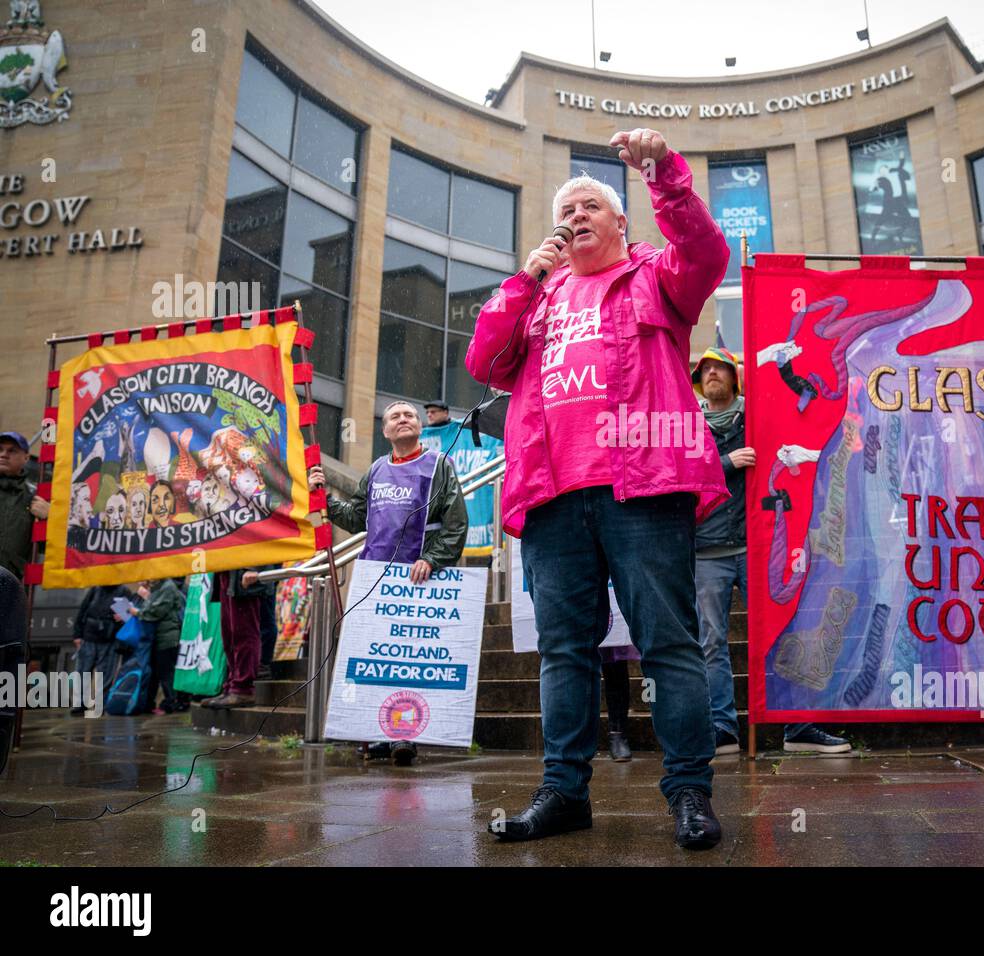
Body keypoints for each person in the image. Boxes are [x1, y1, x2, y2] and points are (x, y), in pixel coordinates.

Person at [466, 127, 730, 850]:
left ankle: (689, 793)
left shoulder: (655, 275)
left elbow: (708, 253)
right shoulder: (539, 298)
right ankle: (564, 791)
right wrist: (523, 281)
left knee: (668, 643)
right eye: (566, 210)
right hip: (552, 493)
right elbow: (485, 361)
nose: (575, 216)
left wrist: (664, 173)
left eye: (588, 206)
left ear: (619, 221)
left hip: (642, 484)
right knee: (563, 651)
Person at [691, 349, 852, 756]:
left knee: (781, 630)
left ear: (734, 376)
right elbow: (680, 474)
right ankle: (723, 729)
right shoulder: (689, 425)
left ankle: (795, 724)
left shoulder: (757, 417)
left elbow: (798, 415)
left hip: (757, 547)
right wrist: (727, 462)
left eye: (719, 368)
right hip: (707, 549)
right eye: (705, 369)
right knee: (711, 641)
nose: (712, 373)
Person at [308, 399, 468, 765]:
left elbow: (456, 524)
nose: (402, 420)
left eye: (409, 415)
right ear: (385, 430)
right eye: (394, 416)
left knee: (408, 659)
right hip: (374, 578)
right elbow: (358, 518)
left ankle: (405, 735)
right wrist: (326, 498)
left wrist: (432, 558)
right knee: (377, 659)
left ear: (419, 426)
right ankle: (380, 732)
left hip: (417, 580)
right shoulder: (377, 468)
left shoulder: (438, 466)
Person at [201, 565, 275, 710]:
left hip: (244, 569)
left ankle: (243, 688)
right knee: (229, 636)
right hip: (228, 569)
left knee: (244, 633)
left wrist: (255, 568)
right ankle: (232, 685)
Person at [127, 577, 186, 713]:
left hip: (167, 637)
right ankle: (152, 703)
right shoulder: (160, 587)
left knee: (166, 673)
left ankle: (173, 703)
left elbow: (155, 611)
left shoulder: (167, 587)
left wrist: (137, 612)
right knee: (158, 672)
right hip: (158, 637)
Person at [71, 584, 129, 714]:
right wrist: (77, 634)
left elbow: (128, 616)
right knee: (83, 671)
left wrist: (122, 618)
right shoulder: (95, 589)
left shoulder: (123, 590)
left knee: (106, 674)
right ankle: (80, 702)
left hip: (109, 638)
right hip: (89, 636)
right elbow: (83, 611)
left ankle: (100, 703)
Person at [0, 431, 49, 580]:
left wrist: (49, 519)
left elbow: (45, 548)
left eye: (12, 450)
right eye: (0, 449)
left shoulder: (34, 498)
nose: (4, 454)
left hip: (10, 584)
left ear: (26, 458)